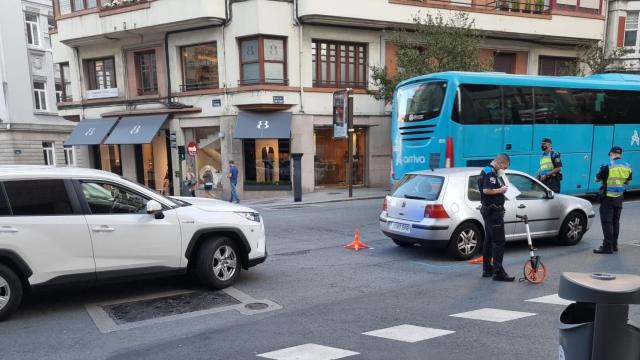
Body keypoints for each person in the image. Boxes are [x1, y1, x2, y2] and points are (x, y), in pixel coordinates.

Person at [478, 153, 515, 282]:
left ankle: (487, 269)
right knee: (499, 242)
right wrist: (501, 190)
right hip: (493, 211)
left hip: (489, 210)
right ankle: (498, 272)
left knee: (488, 241)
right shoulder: (490, 173)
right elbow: (486, 190)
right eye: (505, 167)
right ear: (500, 163)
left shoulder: (487, 170)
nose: (504, 170)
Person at [594, 146, 632, 254]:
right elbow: (627, 182)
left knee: (607, 223)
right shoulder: (627, 166)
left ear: (612, 154)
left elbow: (596, 179)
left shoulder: (608, 166)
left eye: (610, 155)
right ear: (620, 154)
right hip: (619, 197)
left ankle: (607, 247)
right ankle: (614, 245)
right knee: (616, 222)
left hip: (608, 198)